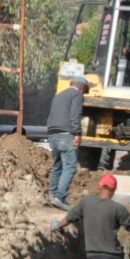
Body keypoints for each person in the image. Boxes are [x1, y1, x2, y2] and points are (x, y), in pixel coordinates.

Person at [44, 76, 92, 208]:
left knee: (57, 165)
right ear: (81, 87)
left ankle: (53, 195)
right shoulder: (76, 94)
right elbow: (75, 115)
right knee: (70, 167)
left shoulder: (58, 96)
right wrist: (78, 133)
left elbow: (51, 116)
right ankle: (60, 197)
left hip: (53, 134)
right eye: (84, 91)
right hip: (66, 134)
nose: (83, 93)